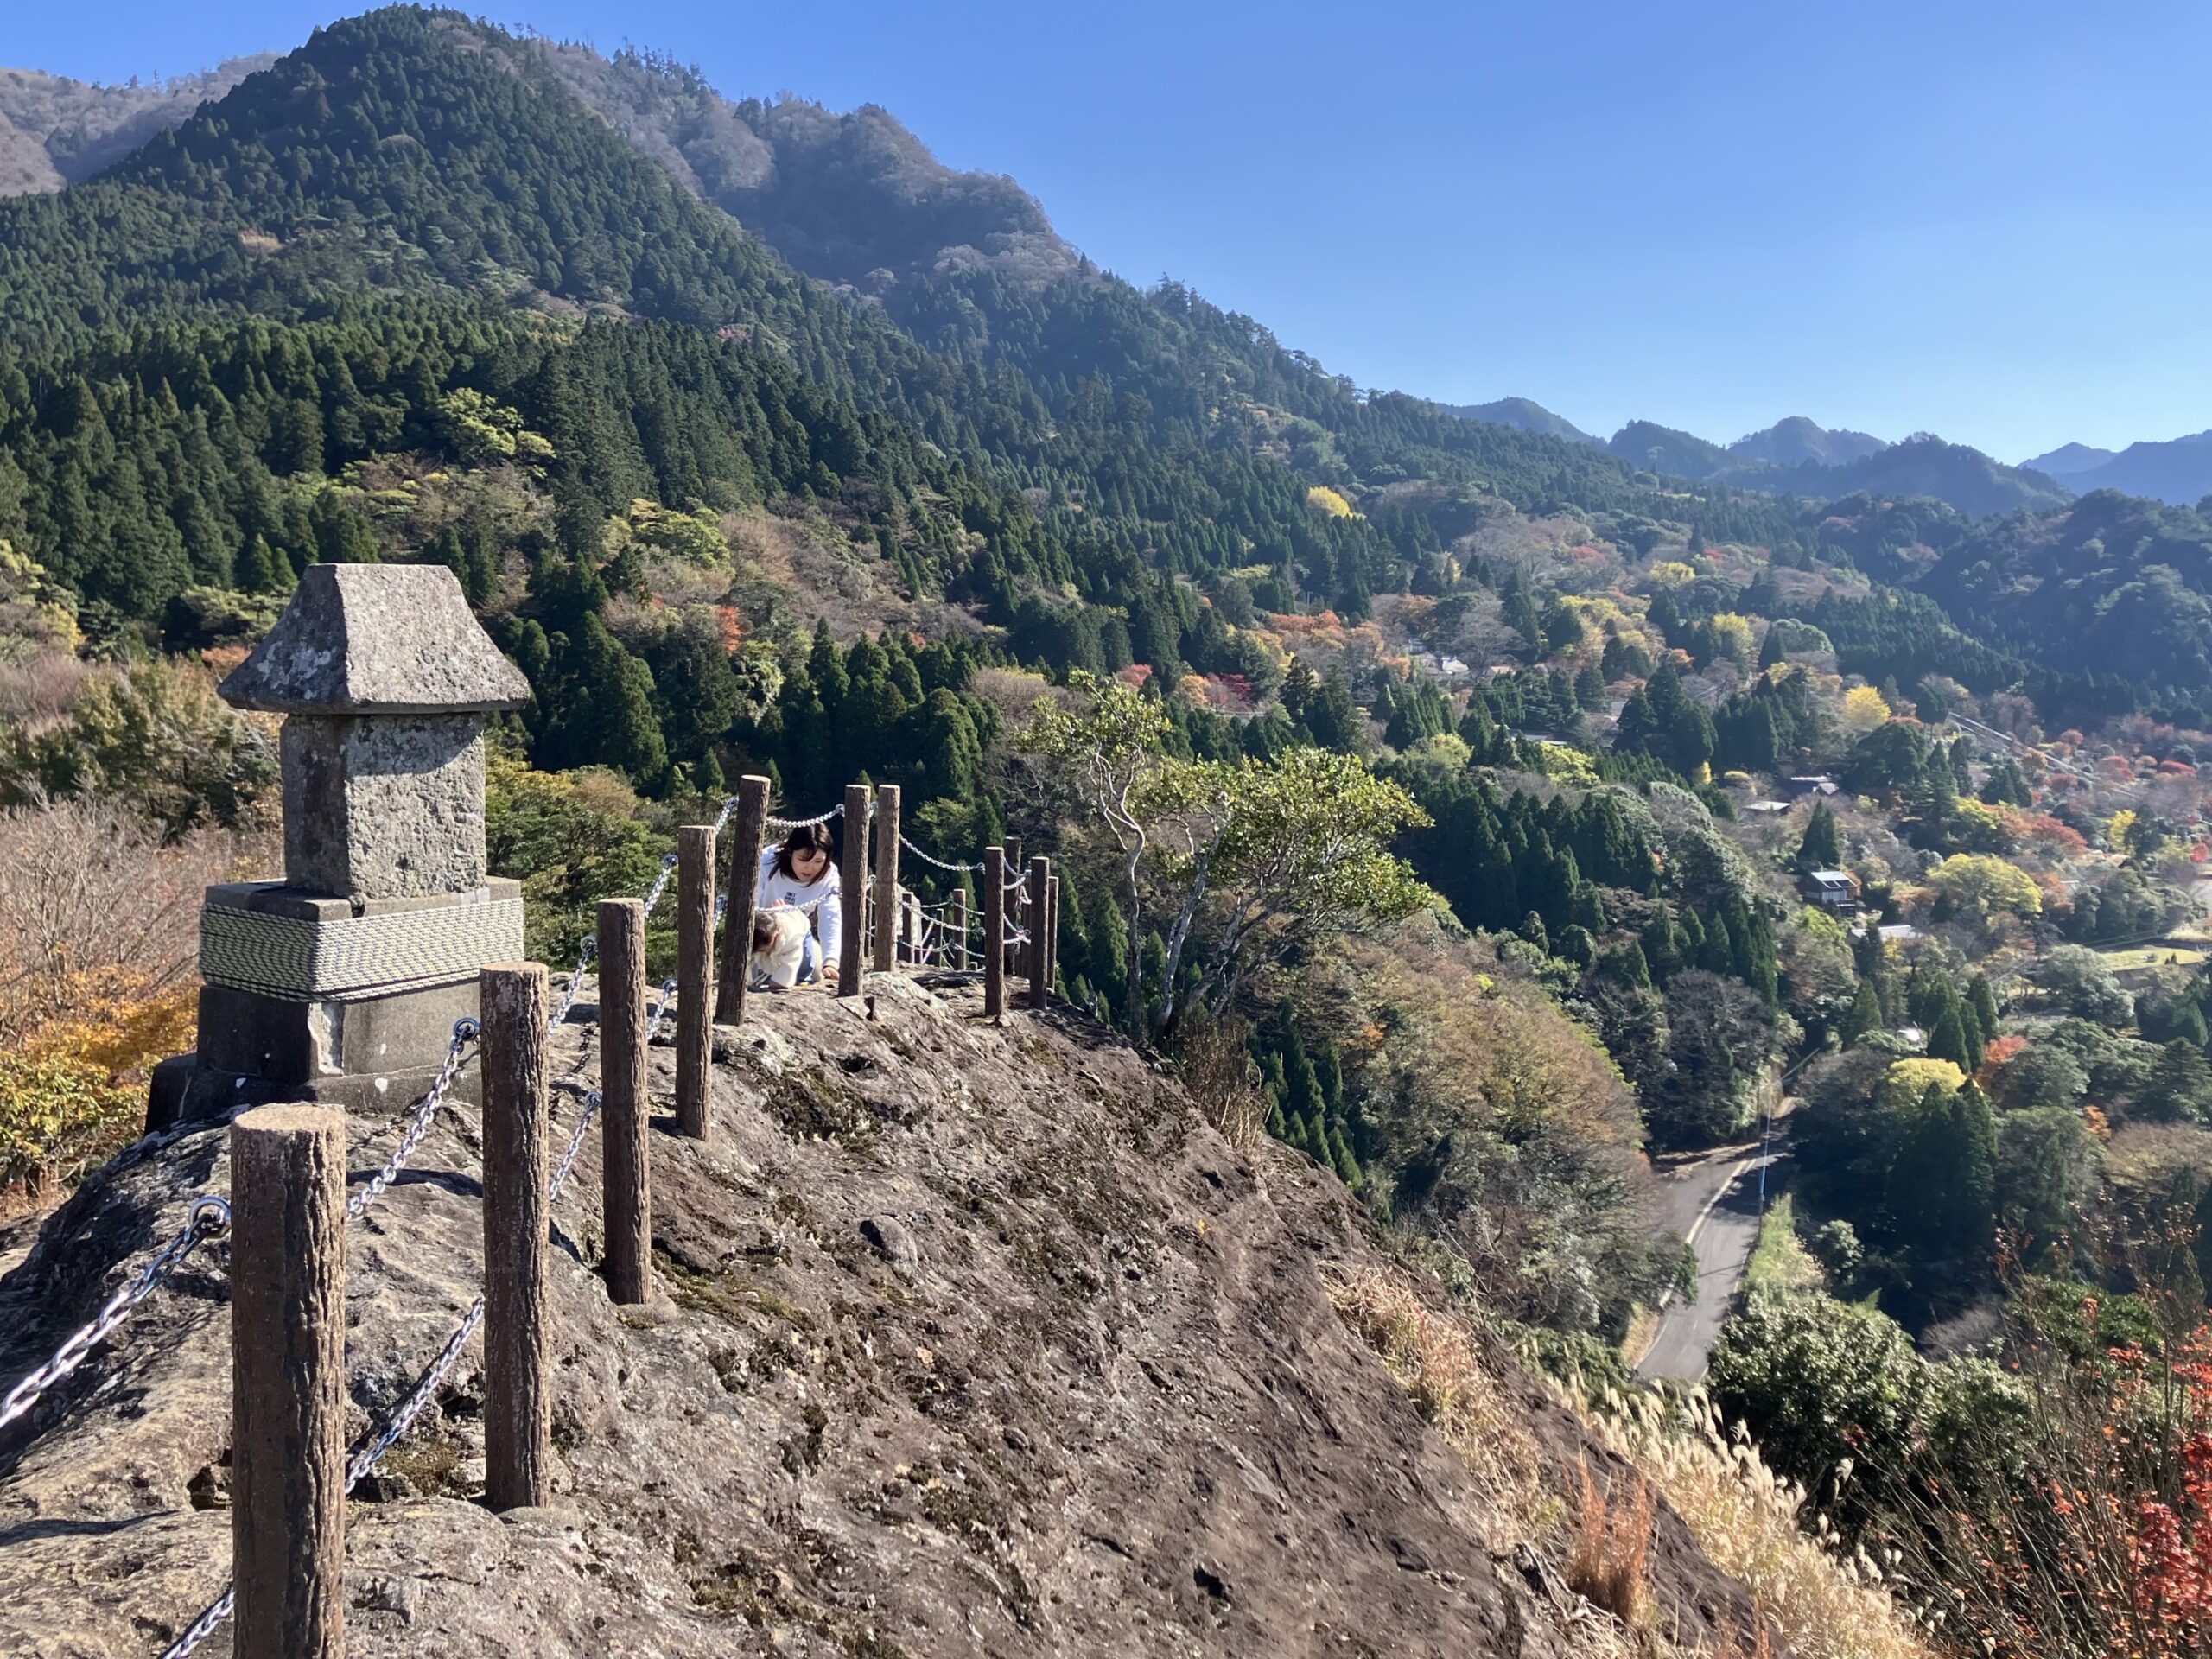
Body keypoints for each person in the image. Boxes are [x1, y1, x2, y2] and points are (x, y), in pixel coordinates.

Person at [757, 823, 842, 987]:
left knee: (817, 972)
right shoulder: (765, 861)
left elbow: (831, 918)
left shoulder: (829, 874)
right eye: (803, 859)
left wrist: (831, 960)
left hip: (797, 940)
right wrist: (771, 919)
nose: (810, 868)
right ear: (789, 852)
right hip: (760, 942)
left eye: (819, 861)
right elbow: (747, 907)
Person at [750, 907, 814, 990]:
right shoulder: (755, 932)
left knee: (803, 970)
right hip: (770, 924)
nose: (763, 952)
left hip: (802, 930)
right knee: (766, 972)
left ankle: (804, 979)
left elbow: (792, 961)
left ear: (775, 936)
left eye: (763, 950)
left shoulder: (792, 937)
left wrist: (780, 981)